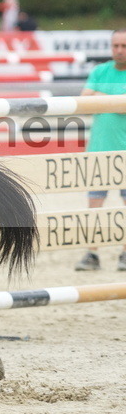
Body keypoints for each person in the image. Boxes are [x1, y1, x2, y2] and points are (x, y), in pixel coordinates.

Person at [74, 29, 126, 271]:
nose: (119, 50)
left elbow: (95, 99)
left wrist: (101, 97)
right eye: (116, 45)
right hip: (99, 150)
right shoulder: (100, 71)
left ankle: (125, 253)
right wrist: (116, 101)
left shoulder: (100, 76)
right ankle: (92, 253)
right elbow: (84, 103)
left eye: (124, 46)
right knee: (94, 204)